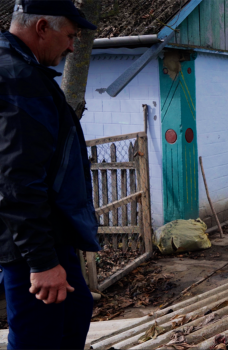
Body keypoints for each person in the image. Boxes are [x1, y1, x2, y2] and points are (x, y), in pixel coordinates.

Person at [0, 0, 100, 348]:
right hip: (28, 244)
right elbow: (16, 177)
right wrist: (42, 262)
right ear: (42, 28)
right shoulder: (17, 78)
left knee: (75, 309)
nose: (73, 46)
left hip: (45, 234)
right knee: (38, 338)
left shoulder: (23, 70)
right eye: (70, 35)